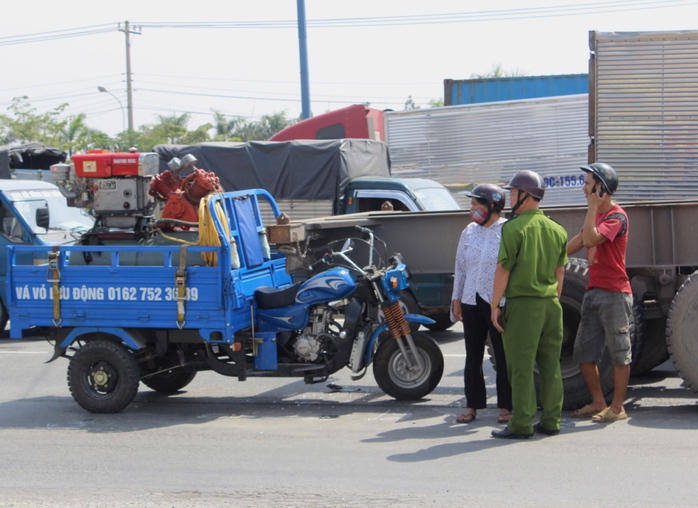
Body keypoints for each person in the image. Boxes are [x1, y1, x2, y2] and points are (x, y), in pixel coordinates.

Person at [490, 170, 568, 439]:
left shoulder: (513, 228)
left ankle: (521, 424)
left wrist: (494, 305)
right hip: (550, 305)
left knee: (521, 366)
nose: (510, 197)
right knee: (550, 366)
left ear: (526, 195)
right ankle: (551, 420)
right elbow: (560, 273)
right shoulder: (557, 229)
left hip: (524, 306)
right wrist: (552, 300)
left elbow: (503, 270)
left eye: (513, 192)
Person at [567, 162, 632, 423]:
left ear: (601, 187)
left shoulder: (617, 217)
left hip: (615, 293)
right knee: (583, 353)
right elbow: (578, 242)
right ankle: (597, 402)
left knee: (619, 352)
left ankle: (617, 408)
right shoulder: (595, 218)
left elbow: (592, 240)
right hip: (593, 292)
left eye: (587, 183)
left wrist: (592, 207)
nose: (583, 188)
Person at [451, 184, 513, 425]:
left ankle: (506, 407)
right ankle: (472, 406)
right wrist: (456, 299)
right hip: (470, 299)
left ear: (492, 206)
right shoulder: (469, 231)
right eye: (472, 204)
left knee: (502, 353)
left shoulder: (507, 229)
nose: (473, 208)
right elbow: (460, 266)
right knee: (472, 355)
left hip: (497, 301)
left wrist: (501, 301)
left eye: (477, 204)